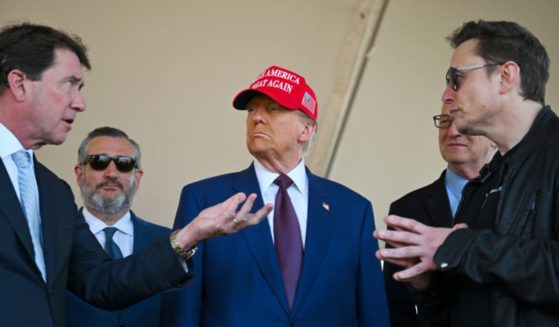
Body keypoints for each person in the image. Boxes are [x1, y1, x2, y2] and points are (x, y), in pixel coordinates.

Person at [0, 23, 272, 327]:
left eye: (81, 88)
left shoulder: (53, 193)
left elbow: (104, 283)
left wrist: (189, 234)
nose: (80, 102)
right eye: (69, 84)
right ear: (20, 83)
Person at [160, 65, 389, 326]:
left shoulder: (353, 210)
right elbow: (182, 307)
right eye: (252, 109)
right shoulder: (203, 198)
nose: (257, 117)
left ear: (306, 130)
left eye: (273, 109)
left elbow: (373, 311)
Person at [375, 20, 558, 326]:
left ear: (505, 76)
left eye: (456, 78)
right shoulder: (483, 184)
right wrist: (428, 284)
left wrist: (462, 246)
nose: (448, 93)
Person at [383, 104, 495, 326]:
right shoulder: (406, 209)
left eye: (464, 123)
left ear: (494, 136)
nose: (453, 131)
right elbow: (395, 306)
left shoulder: (510, 203)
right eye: (445, 121)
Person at [65, 126, 173, 326]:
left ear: (137, 177)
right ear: (80, 174)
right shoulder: (56, 240)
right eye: (99, 162)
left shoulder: (167, 244)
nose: (112, 173)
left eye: (124, 164)